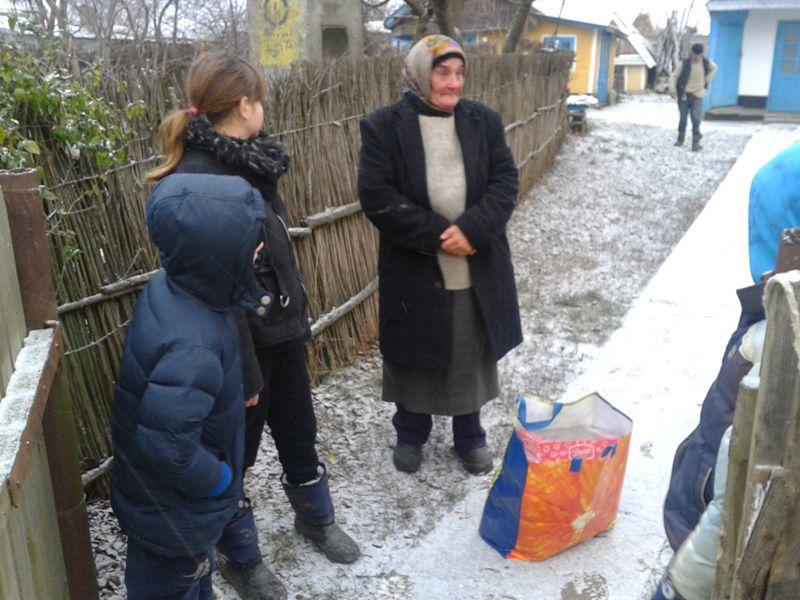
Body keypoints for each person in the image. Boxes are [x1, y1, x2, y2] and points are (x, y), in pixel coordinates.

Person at [144, 50, 359, 599]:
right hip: (235, 347)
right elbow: (211, 290)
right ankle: (239, 556)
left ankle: (315, 519)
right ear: (244, 105)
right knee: (232, 455)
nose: (263, 108)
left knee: (299, 430)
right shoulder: (200, 183)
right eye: (259, 99)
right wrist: (240, 369)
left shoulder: (250, 166)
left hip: (280, 330)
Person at [357, 35, 522, 476]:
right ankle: (411, 432)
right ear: (419, 74)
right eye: (442, 73)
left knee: (468, 348)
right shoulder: (384, 127)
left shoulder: (483, 122)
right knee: (416, 347)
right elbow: (377, 196)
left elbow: (505, 181)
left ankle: (469, 435)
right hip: (415, 265)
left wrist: (472, 230)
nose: (453, 83)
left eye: (459, 73)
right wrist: (440, 236)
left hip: (475, 260)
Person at [110, 171, 270, 599]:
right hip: (175, 513)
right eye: (251, 244)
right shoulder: (192, 348)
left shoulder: (178, 289)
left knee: (193, 577)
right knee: (173, 582)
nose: (259, 250)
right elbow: (169, 449)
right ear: (218, 253)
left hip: (164, 505)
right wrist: (219, 480)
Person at [669, 43, 717, 151]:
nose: (696, 57)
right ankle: (680, 138)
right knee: (683, 119)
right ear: (691, 53)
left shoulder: (706, 62)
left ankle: (695, 142)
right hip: (684, 95)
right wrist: (672, 89)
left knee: (696, 119)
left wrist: (707, 79)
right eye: (695, 55)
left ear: (702, 54)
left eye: (698, 55)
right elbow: (674, 76)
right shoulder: (684, 63)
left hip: (698, 95)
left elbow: (714, 68)